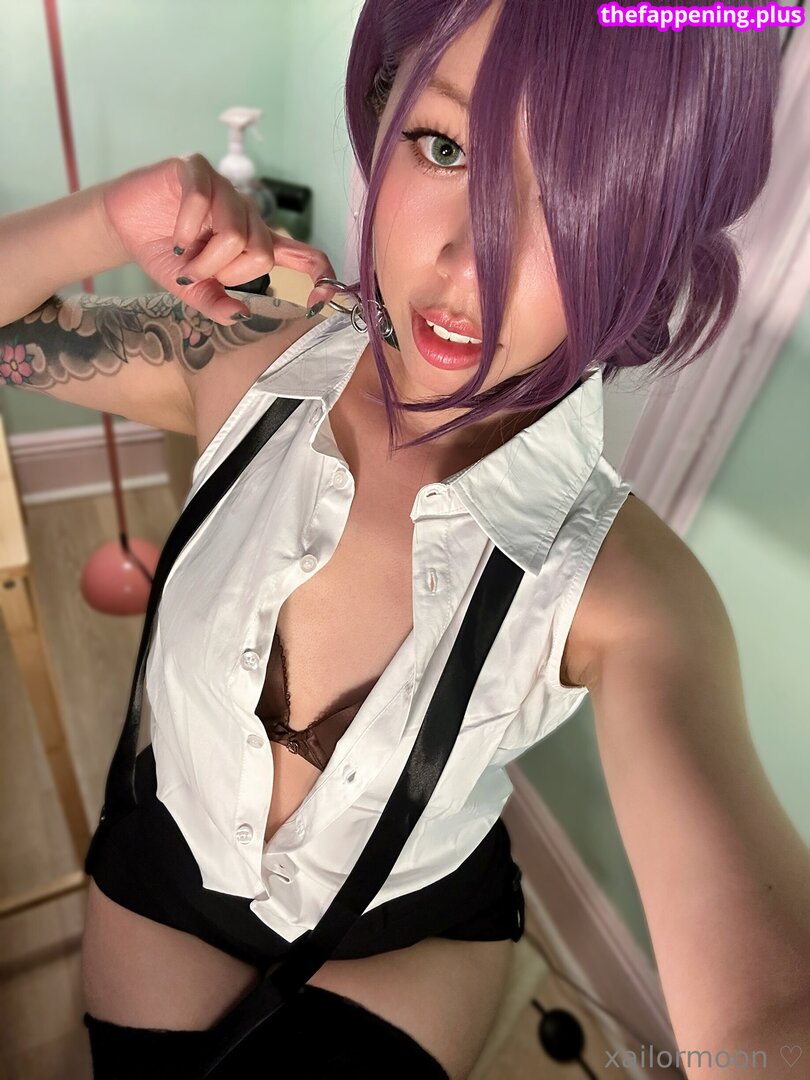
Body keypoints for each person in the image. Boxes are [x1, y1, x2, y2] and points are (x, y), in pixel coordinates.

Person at [2, 2, 808, 1078]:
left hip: (403, 937)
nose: (470, 264)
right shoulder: (244, 358)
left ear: (656, 243)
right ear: (381, 112)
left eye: (584, 199)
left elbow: (772, 1008)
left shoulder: (623, 588)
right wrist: (111, 217)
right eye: (444, 147)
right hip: (169, 867)